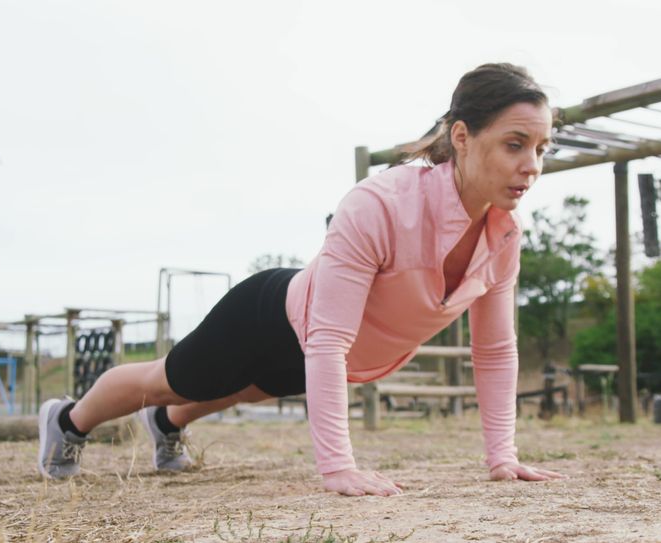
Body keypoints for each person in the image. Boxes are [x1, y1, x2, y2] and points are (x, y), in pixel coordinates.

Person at [38, 63, 566, 496]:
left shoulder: (504, 237)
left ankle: (167, 426)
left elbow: (494, 349)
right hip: (269, 317)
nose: (532, 166)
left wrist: (503, 458)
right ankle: (67, 422)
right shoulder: (380, 204)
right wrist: (339, 468)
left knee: (240, 392)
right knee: (168, 381)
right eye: (515, 144)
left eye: (541, 149)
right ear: (462, 138)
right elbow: (328, 337)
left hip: (328, 350)